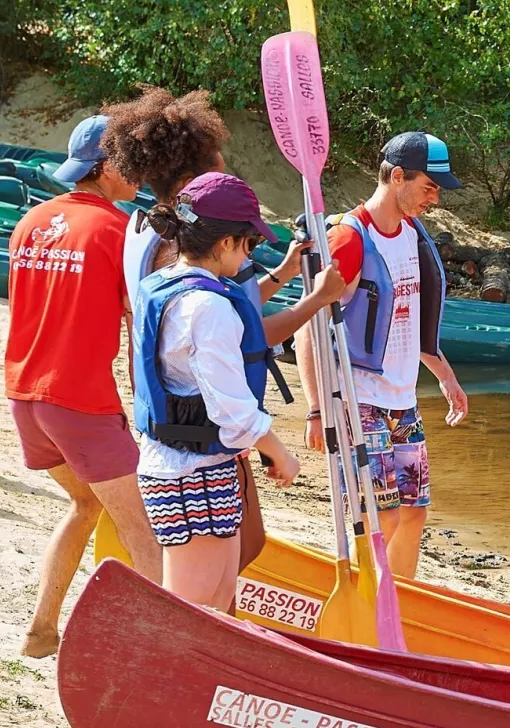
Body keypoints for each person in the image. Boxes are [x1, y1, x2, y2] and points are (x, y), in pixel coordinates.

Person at [102, 86, 342, 579]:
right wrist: (316, 301)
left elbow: (233, 317)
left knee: (225, 561)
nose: (229, 174)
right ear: (194, 182)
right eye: (222, 171)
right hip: (197, 434)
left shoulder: (149, 229)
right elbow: (233, 336)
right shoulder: (184, 265)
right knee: (223, 564)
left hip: (178, 422)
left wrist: (282, 276)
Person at [5, 114, 161, 658]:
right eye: (134, 163)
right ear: (109, 165)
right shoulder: (118, 231)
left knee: (85, 505)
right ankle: (156, 649)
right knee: (145, 531)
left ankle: (41, 630)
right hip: (80, 400)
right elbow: (140, 319)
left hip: (24, 395)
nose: (142, 173)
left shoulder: (31, 222)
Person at [300, 131, 469, 579]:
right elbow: (308, 329)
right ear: (397, 176)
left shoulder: (412, 234)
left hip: (402, 400)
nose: (434, 199)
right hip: (360, 400)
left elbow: (411, 320)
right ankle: (368, 606)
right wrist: (316, 410)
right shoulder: (349, 240)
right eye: (429, 187)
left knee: (414, 513)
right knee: (382, 517)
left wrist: (447, 378)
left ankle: (404, 611)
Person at [130, 173, 302, 608]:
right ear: (226, 242)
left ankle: (201, 678)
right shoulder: (207, 306)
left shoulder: (168, 283)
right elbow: (232, 409)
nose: (249, 256)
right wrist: (279, 452)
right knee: (191, 609)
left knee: (220, 600)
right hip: (187, 473)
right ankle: (159, 677)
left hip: (198, 464)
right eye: (250, 245)